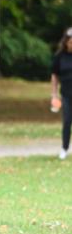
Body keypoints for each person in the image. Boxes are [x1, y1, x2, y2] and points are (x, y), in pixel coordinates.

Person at [51, 26, 72, 160]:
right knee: (67, 122)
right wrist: (54, 94)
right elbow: (54, 76)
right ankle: (64, 148)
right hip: (66, 94)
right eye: (70, 41)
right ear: (66, 42)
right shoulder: (59, 57)